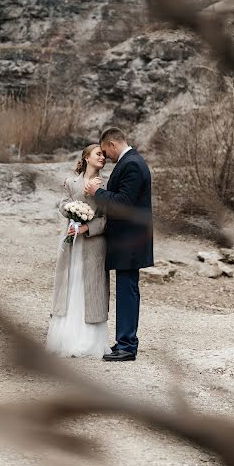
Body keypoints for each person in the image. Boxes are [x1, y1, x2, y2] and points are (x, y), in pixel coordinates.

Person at [85, 127, 153, 362]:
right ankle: (124, 341)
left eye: (105, 151)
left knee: (127, 293)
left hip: (130, 241)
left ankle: (127, 346)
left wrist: (97, 192)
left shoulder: (132, 164)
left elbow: (124, 203)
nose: (106, 157)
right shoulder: (131, 162)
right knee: (126, 292)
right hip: (128, 241)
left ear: (112, 145)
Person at [47, 144, 111, 358]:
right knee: (70, 285)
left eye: (104, 155)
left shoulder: (107, 184)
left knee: (90, 289)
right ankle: (66, 338)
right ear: (86, 157)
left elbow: (107, 219)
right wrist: (73, 210)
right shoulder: (70, 181)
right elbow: (62, 205)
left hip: (93, 245)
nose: (103, 157)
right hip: (71, 243)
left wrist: (87, 227)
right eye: (98, 154)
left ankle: (89, 342)